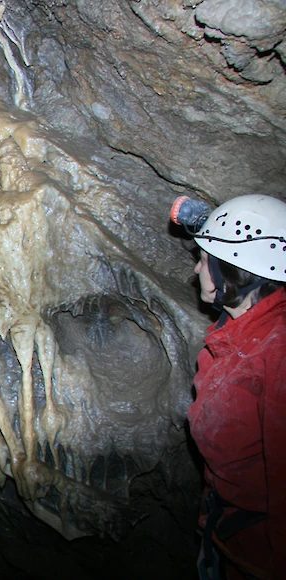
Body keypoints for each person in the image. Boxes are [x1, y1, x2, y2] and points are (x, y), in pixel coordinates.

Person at [170, 194, 285, 580]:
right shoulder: (235, 335)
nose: (197, 269)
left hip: (260, 555)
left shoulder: (277, 352)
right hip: (227, 534)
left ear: (233, 270)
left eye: (204, 260)